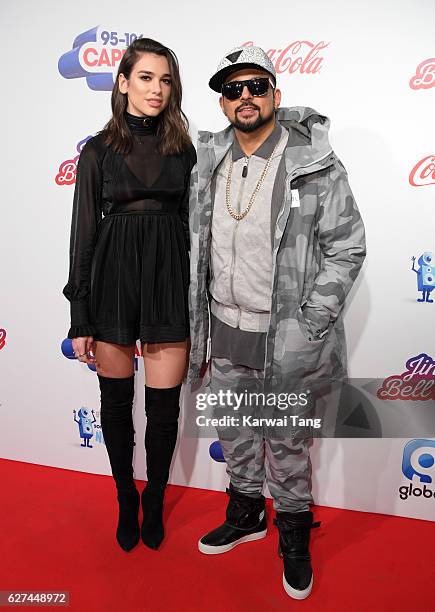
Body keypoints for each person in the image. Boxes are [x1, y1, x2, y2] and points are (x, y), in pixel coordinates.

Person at [188, 46, 366, 598]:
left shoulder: (313, 162)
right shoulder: (207, 160)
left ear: (275, 94)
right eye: (234, 89)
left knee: (287, 441)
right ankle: (246, 514)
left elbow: (347, 246)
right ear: (222, 101)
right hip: (224, 323)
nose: (246, 97)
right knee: (236, 432)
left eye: (257, 87)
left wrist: (313, 318)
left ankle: (292, 534)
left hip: (285, 336)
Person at [63, 38, 196, 552]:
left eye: (165, 80)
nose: (156, 89)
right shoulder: (98, 151)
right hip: (113, 279)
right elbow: (82, 235)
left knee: (164, 412)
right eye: (145, 77)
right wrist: (81, 314)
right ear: (122, 83)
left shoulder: (184, 150)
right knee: (116, 407)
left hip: (167, 279)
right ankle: (125, 496)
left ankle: (156, 498)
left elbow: (193, 226)